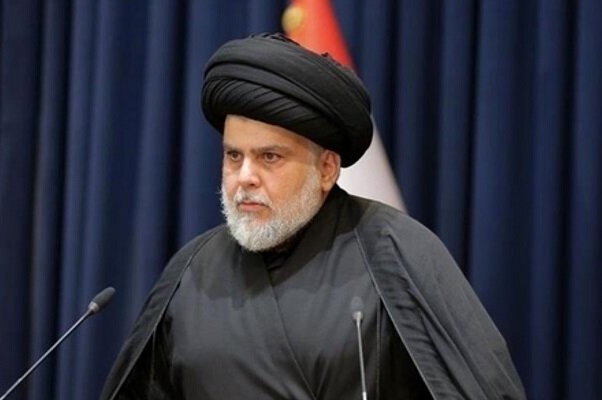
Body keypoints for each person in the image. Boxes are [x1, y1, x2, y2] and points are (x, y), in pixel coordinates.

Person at [100, 33, 526, 400]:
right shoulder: (190, 271)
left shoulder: (398, 252)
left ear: (326, 169)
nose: (244, 177)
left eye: (269, 157)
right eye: (234, 156)